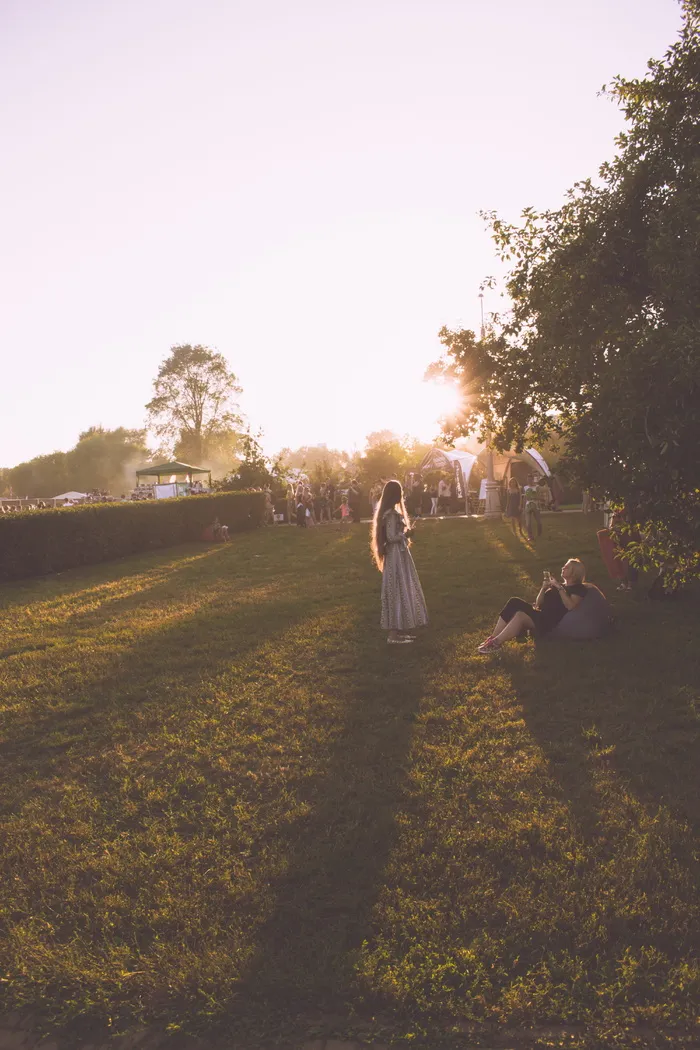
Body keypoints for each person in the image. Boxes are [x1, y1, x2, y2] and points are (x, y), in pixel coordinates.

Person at [477, 558, 587, 653]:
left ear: (574, 572)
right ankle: (493, 638)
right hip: (540, 614)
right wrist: (543, 588)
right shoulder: (558, 585)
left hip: (549, 622)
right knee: (514, 601)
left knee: (520, 616)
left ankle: (496, 643)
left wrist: (559, 587)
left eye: (566, 567)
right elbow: (538, 603)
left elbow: (570, 606)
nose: (563, 568)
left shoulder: (578, 588)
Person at [370, 479, 428, 645]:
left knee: (400, 587)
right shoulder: (391, 515)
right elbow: (391, 537)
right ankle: (393, 634)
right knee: (396, 588)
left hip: (398, 554)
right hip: (395, 555)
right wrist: (406, 534)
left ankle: (399, 630)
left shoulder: (389, 513)